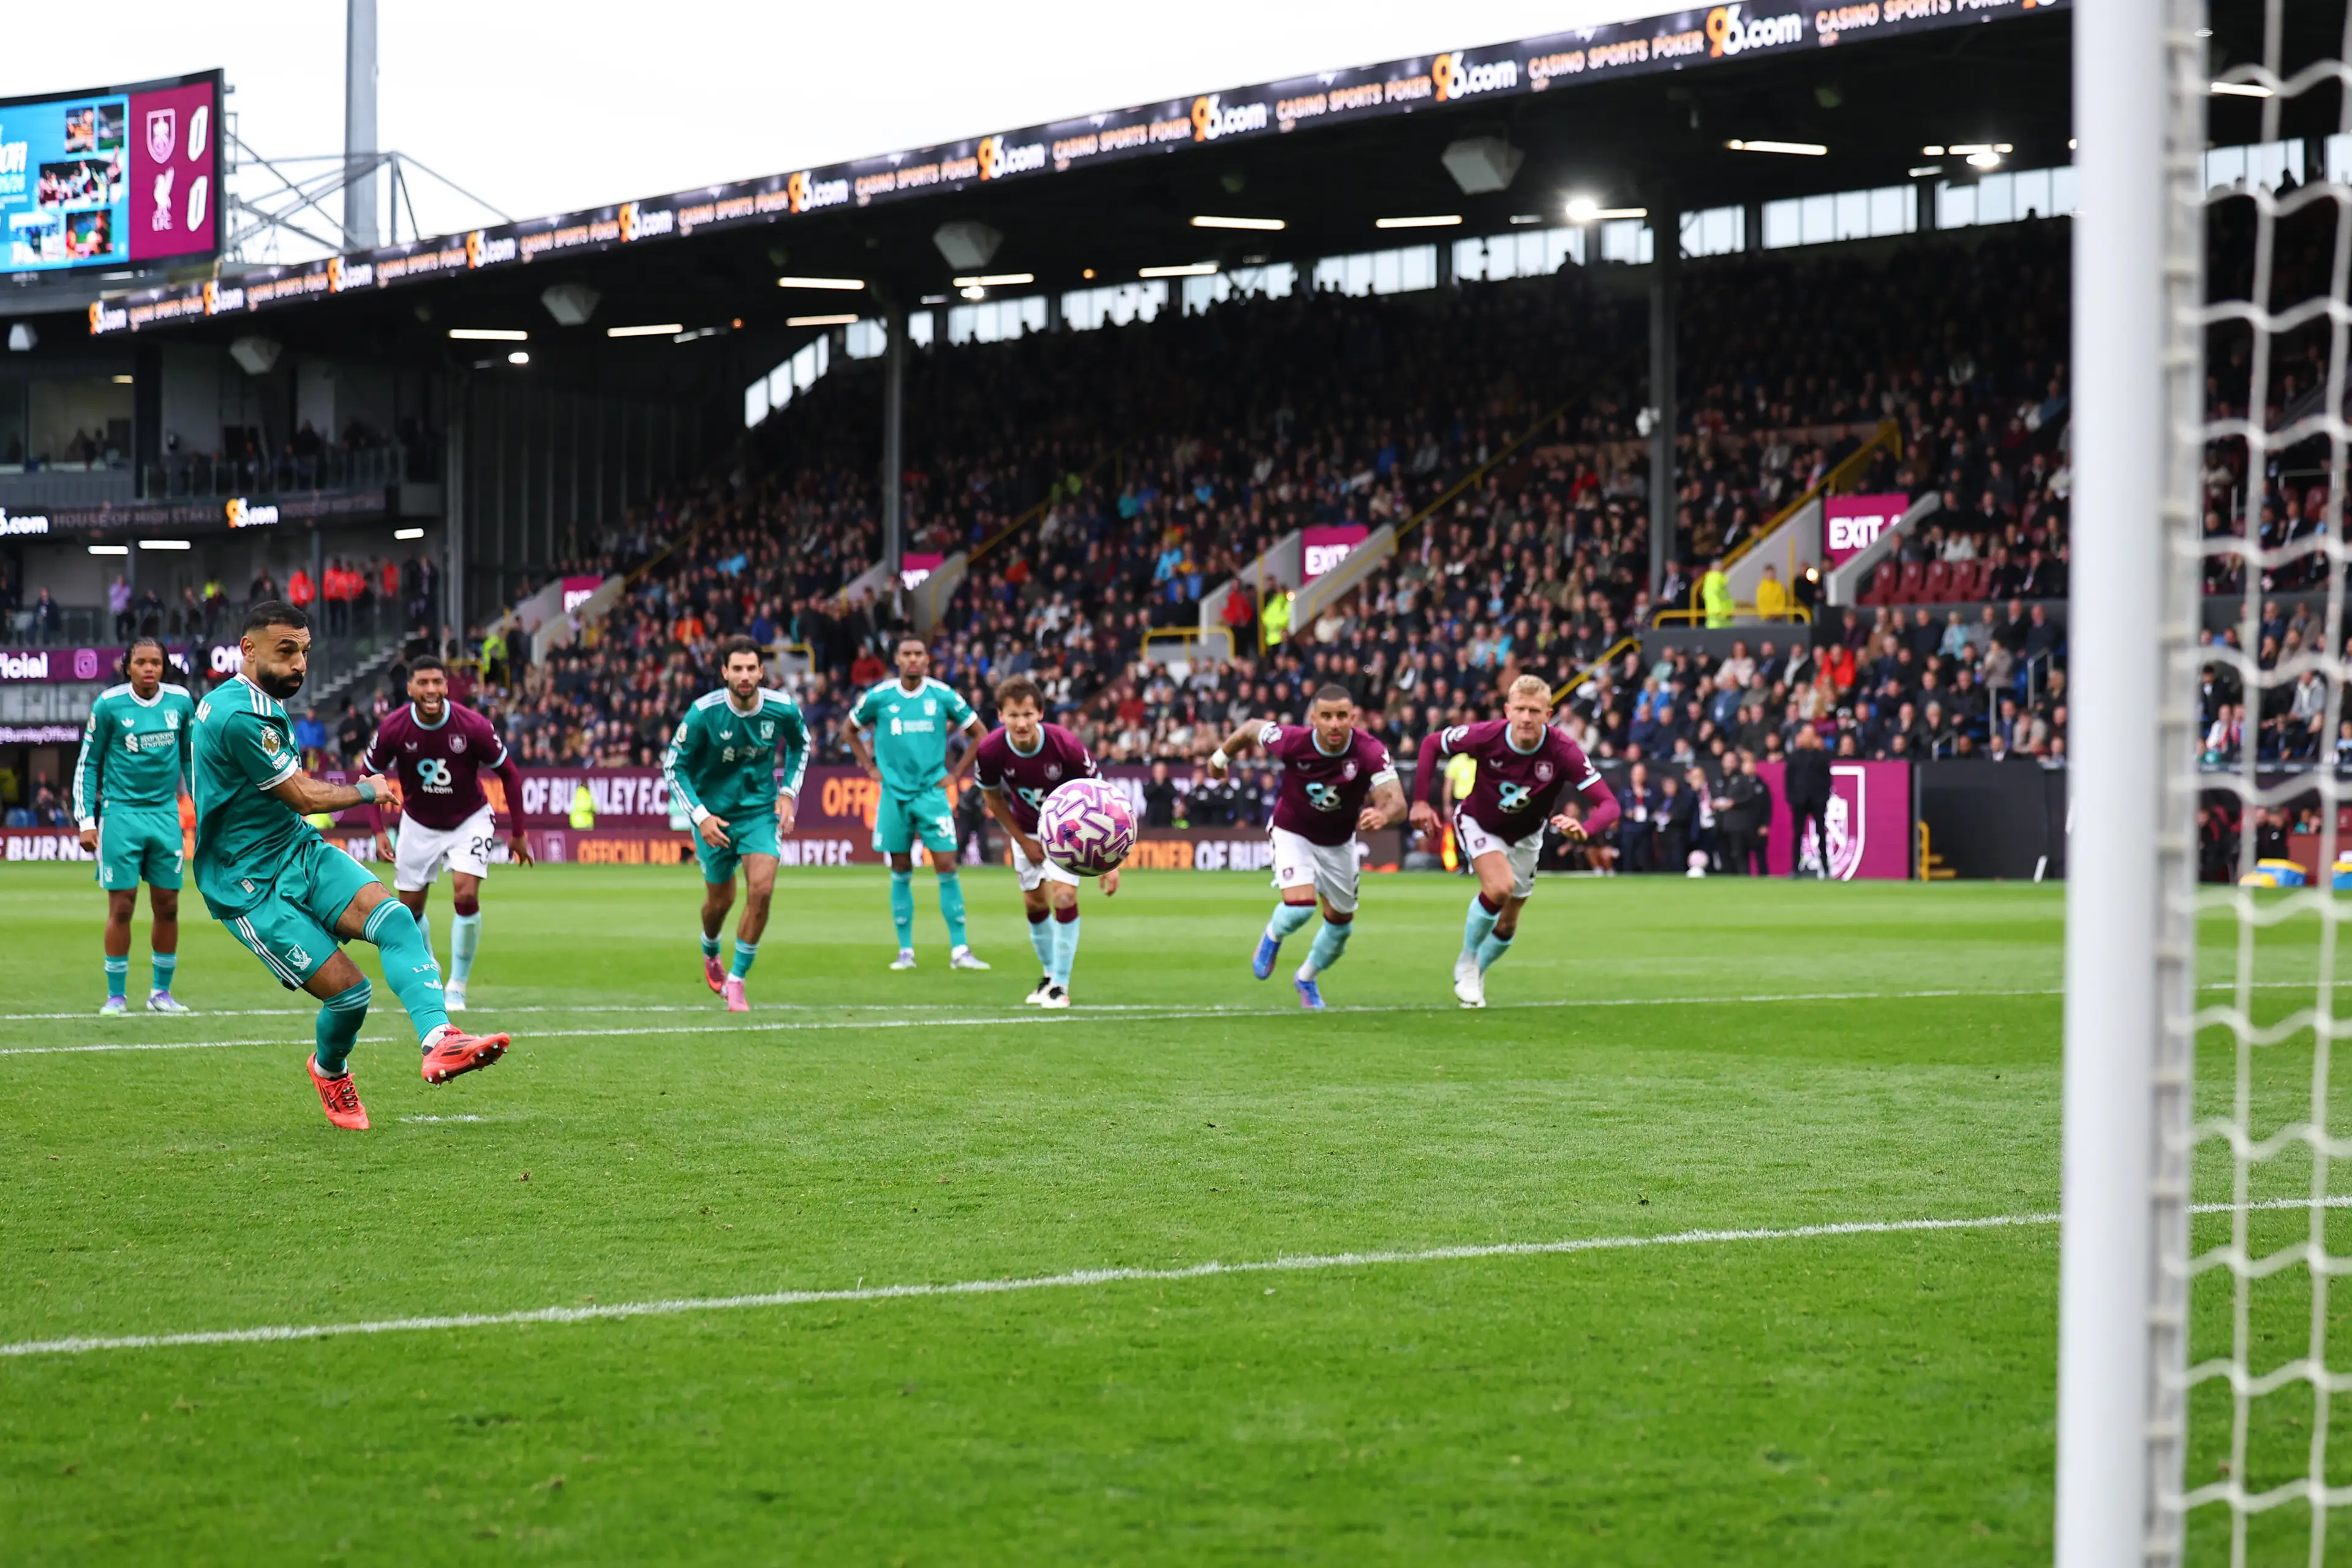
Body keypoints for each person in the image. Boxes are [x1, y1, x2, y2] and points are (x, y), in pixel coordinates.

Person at [190, 601, 509, 1131]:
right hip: (248, 884)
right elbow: (299, 794)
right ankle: (330, 1070)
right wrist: (365, 790)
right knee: (351, 995)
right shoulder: (238, 713)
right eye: (286, 651)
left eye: (305, 652)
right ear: (248, 649)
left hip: (296, 850)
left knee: (397, 920)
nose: (299, 665)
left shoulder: (256, 699)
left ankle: (440, 1040)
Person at [1413, 675, 1622, 1007]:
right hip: (1479, 822)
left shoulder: (1563, 750)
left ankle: (1479, 969)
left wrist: (1586, 827)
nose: (1527, 718)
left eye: (1535, 711)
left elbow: (1610, 804)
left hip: (1527, 834)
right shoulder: (1486, 735)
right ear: (1508, 710)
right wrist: (1421, 801)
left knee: (1509, 923)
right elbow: (1430, 745)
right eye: (1521, 709)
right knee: (1499, 887)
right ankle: (1467, 963)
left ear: (1548, 713)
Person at [1207, 683, 1408, 1010]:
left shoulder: (1369, 750)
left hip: (1339, 844)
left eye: (1342, 716)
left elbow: (1398, 801)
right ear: (1313, 718)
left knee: (1341, 927)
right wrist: (1219, 758)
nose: (1334, 724)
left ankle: (1307, 977)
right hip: (1293, 832)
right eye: (1326, 716)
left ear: (1353, 717)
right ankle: (1273, 935)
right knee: (1301, 906)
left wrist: (1384, 816)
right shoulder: (1293, 742)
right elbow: (1250, 729)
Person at [363, 654, 532, 1012]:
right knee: (409, 911)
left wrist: (519, 832)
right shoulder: (393, 729)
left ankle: (457, 985)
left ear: (446, 686)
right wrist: (378, 831)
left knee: (465, 893)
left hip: (468, 819)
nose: (431, 690)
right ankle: (431, 967)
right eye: (423, 683)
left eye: (437, 682)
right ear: (409, 688)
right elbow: (369, 779)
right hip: (418, 823)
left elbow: (510, 774)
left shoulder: (473, 725)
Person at [663, 635, 810, 1011]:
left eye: (752, 668)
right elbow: (673, 765)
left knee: (761, 890)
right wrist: (700, 817)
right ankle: (710, 947)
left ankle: (738, 979)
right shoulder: (703, 713)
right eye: (737, 669)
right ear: (725, 672)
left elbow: (800, 744)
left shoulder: (782, 708)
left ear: (762, 671)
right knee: (721, 901)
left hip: (760, 813)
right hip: (713, 817)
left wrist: (788, 792)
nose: (745, 676)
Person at [971, 674, 1120, 1007]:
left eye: (1027, 714)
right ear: (1001, 716)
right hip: (1025, 830)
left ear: (1040, 713)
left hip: (1070, 833)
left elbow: (1102, 798)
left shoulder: (1066, 745)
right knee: (1035, 905)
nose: (1021, 723)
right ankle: (1049, 975)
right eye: (1013, 715)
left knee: (1064, 897)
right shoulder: (991, 750)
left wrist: (1111, 862)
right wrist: (1023, 842)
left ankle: (1061, 987)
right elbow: (993, 799)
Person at [845, 635, 989, 972]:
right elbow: (848, 730)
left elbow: (980, 733)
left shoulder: (942, 695)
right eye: (907, 654)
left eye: (919, 654)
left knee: (948, 866)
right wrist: (869, 767)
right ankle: (905, 951)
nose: (913, 659)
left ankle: (960, 950)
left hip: (931, 794)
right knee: (900, 869)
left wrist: (956, 774)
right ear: (897, 659)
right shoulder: (880, 697)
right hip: (894, 794)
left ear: (927, 659)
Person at [74, 636, 197, 1015]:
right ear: (127, 666)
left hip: (164, 816)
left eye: (155, 662)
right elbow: (88, 763)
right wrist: (86, 820)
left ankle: (161, 994)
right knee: (122, 906)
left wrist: (204, 809)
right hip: (120, 816)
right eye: (141, 662)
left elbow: (192, 761)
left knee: (168, 905)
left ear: (164, 666)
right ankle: (116, 996)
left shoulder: (180, 702)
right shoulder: (109, 704)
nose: (149, 669)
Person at [1785, 722, 1834, 878]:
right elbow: (1789, 779)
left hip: (1818, 801)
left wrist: (1824, 798)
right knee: (1797, 834)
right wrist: (1792, 799)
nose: (1808, 738)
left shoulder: (1821, 756)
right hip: (1799, 801)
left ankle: (1826, 869)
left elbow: (1827, 779)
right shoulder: (1794, 756)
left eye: (1811, 735)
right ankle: (1795, 869)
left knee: (1821, 833)